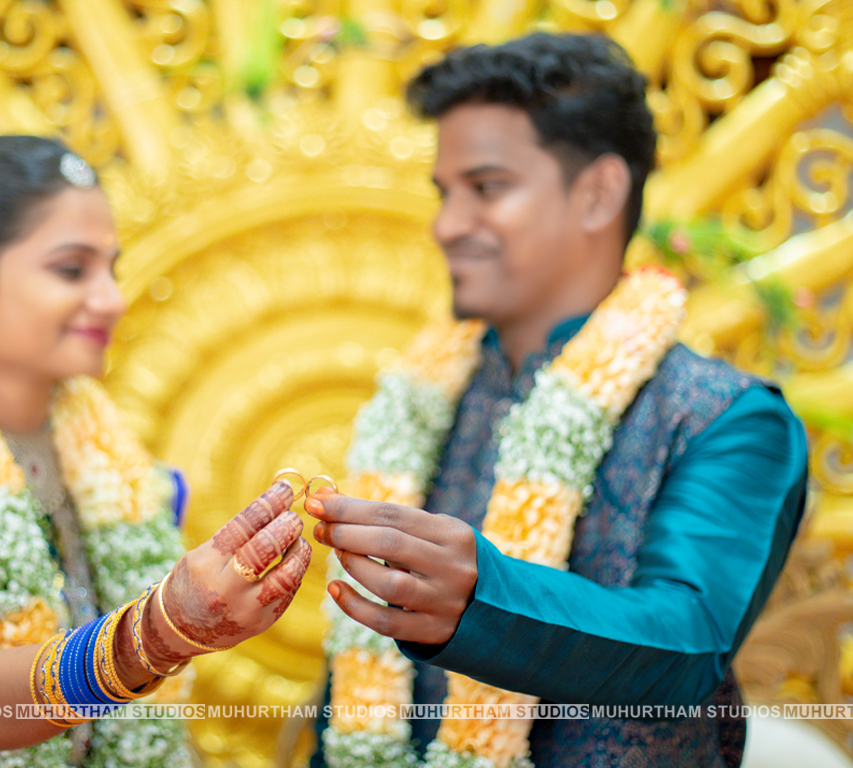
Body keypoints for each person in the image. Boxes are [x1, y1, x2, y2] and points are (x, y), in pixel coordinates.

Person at [307, 33, 807, 768]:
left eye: (486, 187)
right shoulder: (421, 402)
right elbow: (359, 689)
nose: (447, 225)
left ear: (598, 192)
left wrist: (487, 599)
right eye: (445, 194)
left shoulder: (727, 419)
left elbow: (687, 642)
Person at [0, 135, 312, 768]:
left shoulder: (128, 480)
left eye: (112, 269)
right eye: (72, 269)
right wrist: (150, 637)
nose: (111, 300)